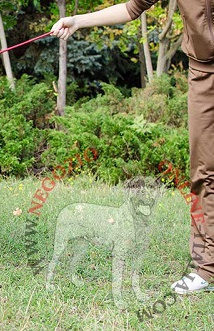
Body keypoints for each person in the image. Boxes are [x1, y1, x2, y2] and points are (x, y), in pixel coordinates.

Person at [50, 0, 214, 294]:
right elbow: (132, 8)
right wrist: (77, 20)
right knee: (204, 170)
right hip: (205, 75)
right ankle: (207, 268)